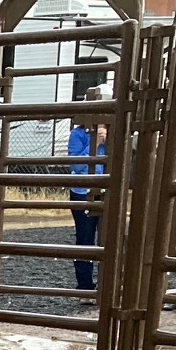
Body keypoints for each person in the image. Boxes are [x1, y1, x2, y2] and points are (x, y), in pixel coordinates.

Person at [67, 107, 108, 291]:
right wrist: (94, 143)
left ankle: (108, 284)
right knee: (85, 238)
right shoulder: (77, 134)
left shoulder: (116, 132)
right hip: (83, 190)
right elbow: (75, 166)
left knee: (109, 237)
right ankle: (85, 285)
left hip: (107, 190)